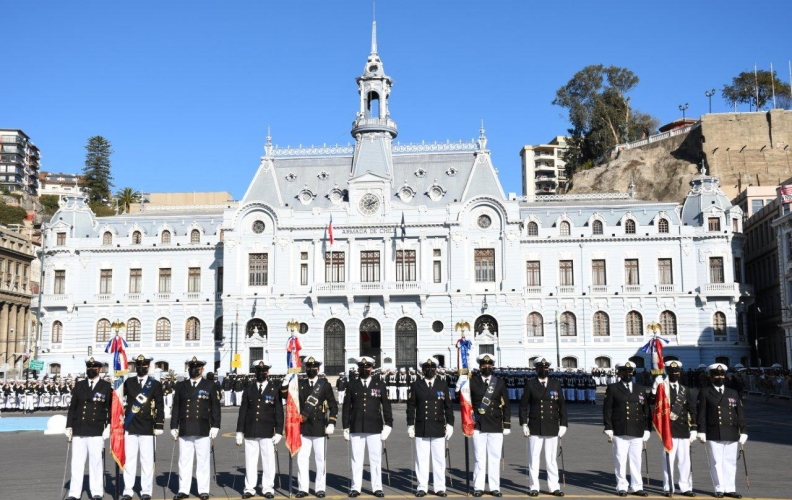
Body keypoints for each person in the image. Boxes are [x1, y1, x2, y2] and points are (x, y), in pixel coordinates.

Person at [170, 357, 221, 500]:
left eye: (196, 368)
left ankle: (203, 490)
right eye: (191, 367)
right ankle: (183, 490)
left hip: (203, 427)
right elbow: (176, 407)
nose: (193, 370)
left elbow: (215, 408)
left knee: (203, 461)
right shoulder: (181, 385)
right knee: (184, 461)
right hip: (185, 426)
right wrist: (173, 425)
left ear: (202, 369)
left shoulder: (209, 385)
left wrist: (215, 425)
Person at [342, 356, 393, 498]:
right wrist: (345, 427)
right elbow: (347, 407)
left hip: (375, 426)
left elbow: (386, 406)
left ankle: (377, 487)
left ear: (372, 368)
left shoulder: (379, 384)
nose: (365, 369)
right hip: (356, 425)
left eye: (367, 367)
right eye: (362, 367)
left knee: (375, 459)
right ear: (359, 369)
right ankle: (355, 487)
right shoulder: (352, 385)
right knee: (356, 459)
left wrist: (388, 424)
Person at [697, 363, 747, 499]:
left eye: (721, 375)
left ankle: (730, 488)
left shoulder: (733, 392)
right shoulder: (705, 391)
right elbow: (701, 413)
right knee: (716, 462)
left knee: (730, 462)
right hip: (714, 431)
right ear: (711, 377)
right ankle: (719, 488)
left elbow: (740, 413)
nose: (719, 377)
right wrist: (701, 430)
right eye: (716, 375)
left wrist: (743, 431)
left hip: (731, 431)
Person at [65, 357, 112, 500]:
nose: (91, 370)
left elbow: (110, 408)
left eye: (94, 368)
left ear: (100, 370)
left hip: (97, 429)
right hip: (79, 427)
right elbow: (73, 407)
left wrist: (109, 426)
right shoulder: (79, 385)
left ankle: (97, 491)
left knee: (96, 462)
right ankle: (74, 492)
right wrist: (69, 426)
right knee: (77, 463)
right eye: (88, 368)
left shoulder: (106, 386)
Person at [407, 357, 454, 497]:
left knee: (439, 459)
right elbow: (411, 407)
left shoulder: (442, 385)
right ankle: (422, 487)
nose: (430, 370)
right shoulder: (416, 385)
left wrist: (450, 424)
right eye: (427, 368)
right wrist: (410, 424)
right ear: (422, 370)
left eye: (432, 367)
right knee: (421, 459)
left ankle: (440, 487)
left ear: (436, 370)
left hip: (438, 426)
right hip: (421, 427)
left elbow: (448, 407)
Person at [519, 358, 567, 497]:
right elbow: (523, 405)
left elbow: (562, 405)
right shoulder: (530, 384)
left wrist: (563, 423)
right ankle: (534, 487)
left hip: (552, 424)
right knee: (534, 458)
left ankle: (554, 487)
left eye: (546, 368)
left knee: (551, 459)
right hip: (535, 425)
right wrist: (524, 423)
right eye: (541, 368)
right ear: (536, 369)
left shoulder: (555, 384)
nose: (544, 370)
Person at [603, 361, 651, 497]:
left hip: (637, 429)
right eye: (625, 371)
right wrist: (608, 427)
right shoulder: (613, 388)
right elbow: (607, 409)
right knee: (620, 459)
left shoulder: (640, 388)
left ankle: (637, 486)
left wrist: (647, 428)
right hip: (620, 429)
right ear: (619, 373)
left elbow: (646, 409)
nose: (628, 374)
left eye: (630, 371)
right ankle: (621, 486)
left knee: (636, 460)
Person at [651, 360, 697, 498]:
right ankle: (668, 487)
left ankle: (685, 487)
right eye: (672, 372)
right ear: (668, 373)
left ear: (680, 373)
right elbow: (652, 403)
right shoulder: (662, 388)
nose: (675, 374)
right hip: (668, 430)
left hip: (683, 429)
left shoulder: (685, 389)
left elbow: (691, 409)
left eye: (677, 372)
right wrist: (654, 389)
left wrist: (694, 427)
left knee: (685, 460)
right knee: (668, 461)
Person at [237, 361, 283, 499]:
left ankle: (267, 487)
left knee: (268, 460)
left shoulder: (275, 388)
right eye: (258, 371)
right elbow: (243, 411)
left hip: (267, 430)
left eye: (263, 371)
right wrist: (239, 431)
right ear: (254, 372)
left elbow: (279, 412)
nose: (261, 373)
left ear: (267, 372)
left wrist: (279, 431)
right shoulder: (249, 388)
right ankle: (249, 488)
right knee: (250, 461)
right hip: (251, 429)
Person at [122, 355, 165, 500]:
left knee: (146, 461)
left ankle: (146, 491)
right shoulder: (128, 382)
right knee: (129, 460)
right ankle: (128, 490)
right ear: (136, 367)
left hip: (147, 426)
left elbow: (160, 405)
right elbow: (119, 400)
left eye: (143, 366)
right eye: (138, 366)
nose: (141, 368)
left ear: (148, 367)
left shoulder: (155, 384)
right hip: (130, 425)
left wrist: (159, 424)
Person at [295, 356, 338, 498]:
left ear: (318, 369)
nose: (311, 370)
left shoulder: (324, 384)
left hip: (320, 426)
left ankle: (320, 488)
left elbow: (333, 405)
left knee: (320, 460)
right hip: (304, 426)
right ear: (305, 369)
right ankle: (303, 488)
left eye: (314, 367)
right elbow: (291, 402)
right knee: (302, 459)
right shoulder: (300, 384)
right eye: (308, 367)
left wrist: (331, 422)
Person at [469, 354, 511, 497]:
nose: (486, 367)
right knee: (479, 458)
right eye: (484, 365)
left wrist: (507, 424)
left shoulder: (499, 382)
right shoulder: (472, 382)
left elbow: (506, 404)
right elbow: (466, 403)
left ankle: (494, 487)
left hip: (495, 424)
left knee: (494, 457)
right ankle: (478, 487)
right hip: (478, 425)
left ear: (493, 366)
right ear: (479, 366)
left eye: (489, 365)